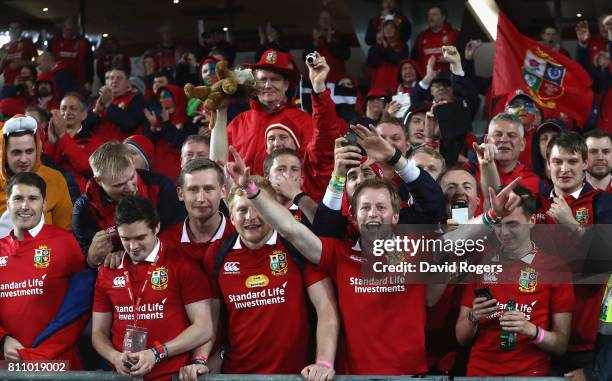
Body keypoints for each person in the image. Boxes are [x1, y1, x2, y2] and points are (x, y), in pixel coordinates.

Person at [223, 137, 447, 374]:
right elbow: (290, 228)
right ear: (354, 216)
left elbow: (455, 231)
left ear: (395, 216)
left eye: (381, 207)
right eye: (365, 208)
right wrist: (252, 191)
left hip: (411, 375)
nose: (373, 214)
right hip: (353, 378)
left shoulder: (417, 248)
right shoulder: (338, 254)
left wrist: (489, 219)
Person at [196, 176, 338, 378]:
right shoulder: (217, 253)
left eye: (258, 208)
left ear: (275, 213)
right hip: (236, 375)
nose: (250, 217)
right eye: (242, 210)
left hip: (294, 375)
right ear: (232, 217)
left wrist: (323, 362)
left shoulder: (297, 246)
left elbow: (326, 308)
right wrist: (200, 359)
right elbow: (210, 317)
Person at [92, 195, 213, 381]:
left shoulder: (181, 263)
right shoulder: (108, 270)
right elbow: (98, 332)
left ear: (156, 227)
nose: (133, 246)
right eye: (125, 239)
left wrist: (156, 353)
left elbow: (204, 327)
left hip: (171, 376)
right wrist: (113, 356)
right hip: (123, 377)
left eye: (140, 238)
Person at [456, 187, 574, 376]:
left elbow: (560, 345)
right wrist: (473, 317)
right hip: (480, 371)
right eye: (498, 224)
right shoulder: (481, 263)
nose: (504, 232)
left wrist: (532, 330)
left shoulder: (555, 268)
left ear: (532, 221)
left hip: (530, 373)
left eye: (512, 224)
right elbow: (461, 337)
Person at [535, 132, 612, 375]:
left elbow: (605, 261)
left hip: (586, 334)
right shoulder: (535, 205)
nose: (564, 169)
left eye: (573, 161)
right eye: (557, 162)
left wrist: (572, 226)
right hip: (539, 334)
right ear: (548, 165)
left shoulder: (604, 204)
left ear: (585, 164)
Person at [0, 172, 91, 367]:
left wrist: (41, 354)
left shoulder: (65, 242)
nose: (25, 206)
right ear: (8, 205)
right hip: (7, 363)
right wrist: (3, 340)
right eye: (18, 199)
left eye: (33, 199)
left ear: (44, 204)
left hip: (57, 363)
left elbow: (81, 307)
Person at [73, 142, 184, 266]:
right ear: (99, 181)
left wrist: (129, 257)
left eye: (132, 177)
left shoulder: (162, 188)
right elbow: (83, 261)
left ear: (132, 164)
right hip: (112, 272)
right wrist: (91, 258)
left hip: (161, 263)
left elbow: (176, 237)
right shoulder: (84, 208)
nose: (131, 188)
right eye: (119, 185)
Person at [226, 49, 313, 175]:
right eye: (262, 80)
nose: (267, 85)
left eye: (275, 79)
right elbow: (223, 165)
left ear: (286, 85)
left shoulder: (303, 120)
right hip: (242, 192)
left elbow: (309, 166)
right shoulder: (237, 123)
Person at [0, 114, 72, 235]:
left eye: (29, 151)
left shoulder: (55, 179)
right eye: (16, 152)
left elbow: (65, 234)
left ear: (37, 150)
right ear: (4, 154)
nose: (24, 159)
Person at [160, 158, 234, 259]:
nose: (201, 199)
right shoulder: (165, 242)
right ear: (180, 194)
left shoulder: (239, 233)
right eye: (193, 190)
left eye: (208, 189)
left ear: (223, 191)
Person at [467, 113, 541, 196]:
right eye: (498, 134)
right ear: (486, 140)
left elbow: (498, 206)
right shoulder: (468, 171)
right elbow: (457, 206)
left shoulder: (533, 181)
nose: (504, 139)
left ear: (522, 144)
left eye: (511, 135)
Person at [43, 94, 103, 193]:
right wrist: (51, 143)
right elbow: (45, 167)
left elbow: (87, 168)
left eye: (72, 108)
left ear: (84, 115)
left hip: (79, 195)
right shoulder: (50, 139)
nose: (67, 112)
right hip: (51, 191)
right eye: (63, 109)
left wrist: (63, 136)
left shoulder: (95, 141)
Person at [90, 68, 147, 142]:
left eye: (119, 78)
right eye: (111, 78)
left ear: (128, 83)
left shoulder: (137, 99)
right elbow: (84, 127)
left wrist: (108, 105)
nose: (114, 81)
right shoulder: (97, 101)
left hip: (124, 150)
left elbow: (130, 124)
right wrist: (96, 112)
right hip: (99, 149)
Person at [47, 17, 94, 92]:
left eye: (71, 28)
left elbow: (89, 64)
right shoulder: (54, 42)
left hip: (78, 82)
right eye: (67, 27)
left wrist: (89, 81)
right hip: (57, 81)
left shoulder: (84, 43)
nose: (69, 30)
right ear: (63, 27)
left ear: (76, 28)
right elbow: (48, 61)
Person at [304, 10, 350, 83]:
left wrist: (330, 42)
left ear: (332, 21)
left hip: (337, 80)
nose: (325, 21)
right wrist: (315, 43)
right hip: (318, 80)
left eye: (327, 18)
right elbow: (306, 59)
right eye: (322, 18)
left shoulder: (340, 36)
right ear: (318, 21)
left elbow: (346, 55)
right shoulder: (312, 38)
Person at [366, 16, 410, 94]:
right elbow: (371, 63)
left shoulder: (402, 46)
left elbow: (399, 61)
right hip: (378, 83)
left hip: (395, 83)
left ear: (396, 30)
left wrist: (386, 47)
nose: (388, 30)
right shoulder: (376, 46)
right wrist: (378, 45)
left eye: (391, 27)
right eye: (385, 27)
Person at [413, 5, 459, 72]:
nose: (430, 18)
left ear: (443, 17)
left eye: (434, 15)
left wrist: (451, 58)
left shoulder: (453, 34)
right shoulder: (422, 36)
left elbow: (462, 57)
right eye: (429, 15)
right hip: (425, 78)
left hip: (446, 79)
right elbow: (417, 59)